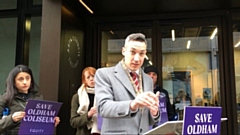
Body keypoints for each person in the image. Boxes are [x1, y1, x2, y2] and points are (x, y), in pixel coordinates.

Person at [95, 33, 160, 134]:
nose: (137, 59)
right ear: (123, 51)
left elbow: (147, 120)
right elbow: (103, 108)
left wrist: (154, 112)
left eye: (142, 54)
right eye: (133, 52)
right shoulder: (104, 74)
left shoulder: (148, 80)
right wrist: (132, 105)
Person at [0, 65, 60, 135]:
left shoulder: (38, 97)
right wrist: (11, 119)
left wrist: (50, 122)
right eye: (20, 79)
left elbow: (40, 123)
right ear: (13, 82)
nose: (25, 82)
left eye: (27, 78)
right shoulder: (5, 98)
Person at [70, 67, 100, 135]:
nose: (91, 79)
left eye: (93, 76)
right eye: (88, 77)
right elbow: (73, 122)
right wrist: (88, 115)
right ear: (84, 80)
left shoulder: (104, 94)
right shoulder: (77, 97)